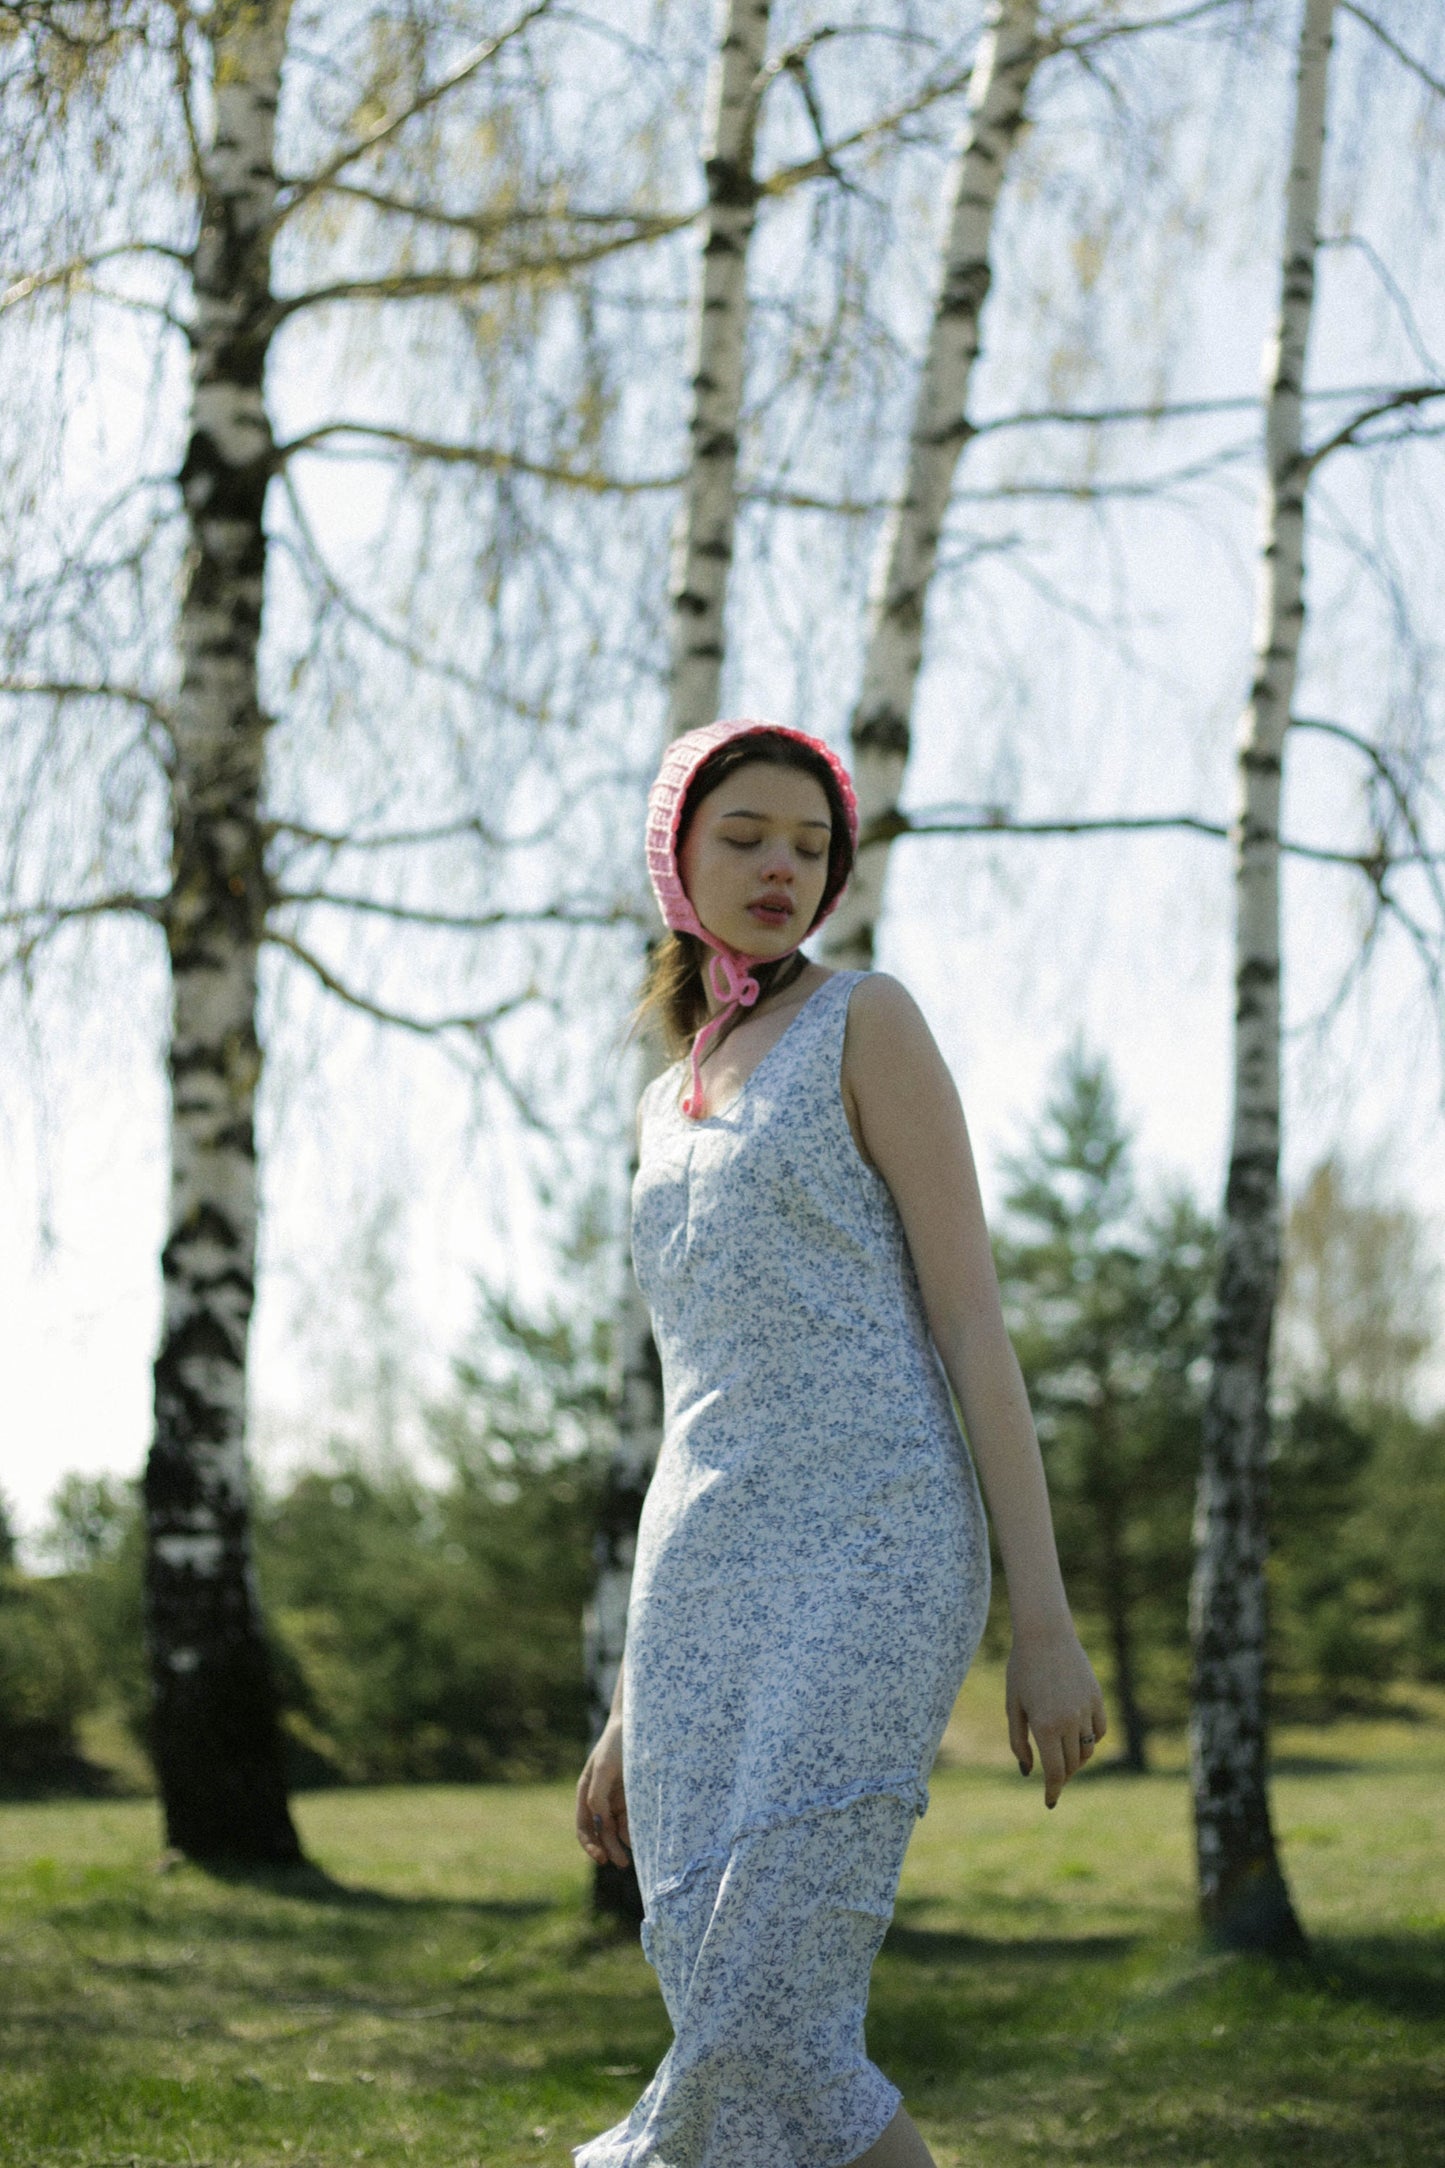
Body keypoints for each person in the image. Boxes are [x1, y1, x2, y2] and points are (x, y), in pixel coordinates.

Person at [574, 718, 1106, 2168]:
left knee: (762, 2018)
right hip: (697, 1579)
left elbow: (973, 1330)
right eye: (744, 836)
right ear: (674, 853)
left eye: (810, 848)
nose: (780, 869)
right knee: (738, 2023)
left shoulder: (868, 1022)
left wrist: (1041, 1626)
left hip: (875, 1543)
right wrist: (631, 1696)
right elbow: (688, 1399)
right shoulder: (656, 1106)